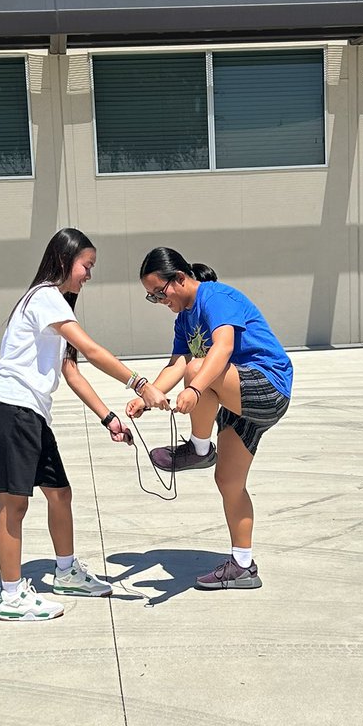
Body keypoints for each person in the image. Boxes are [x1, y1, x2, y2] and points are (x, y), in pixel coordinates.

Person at [0, 228, 168, 621]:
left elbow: (71, 370)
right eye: (87, 265)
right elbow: (92, 350)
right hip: (10, 410)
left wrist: (109, 417)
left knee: (59, 494)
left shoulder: (53, 306)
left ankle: (65, 573)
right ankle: (12, 596)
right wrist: (140, 383)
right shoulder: (46, 297)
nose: (89, 274)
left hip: (29, 414)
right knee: (13, 507)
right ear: (65, 260)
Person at [127, 247, 292, 591]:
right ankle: (243, 566)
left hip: (266, 386)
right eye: (151, 297)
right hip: (237, 400)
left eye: (160, 292)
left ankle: (200, 449)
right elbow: (175, 364)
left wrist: (196, 389)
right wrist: (148, 395)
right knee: (228, 482)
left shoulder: (215, 297)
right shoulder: (184, 319)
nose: (160, 300)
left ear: (181, 278)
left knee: (199, 366)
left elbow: (223, 348)